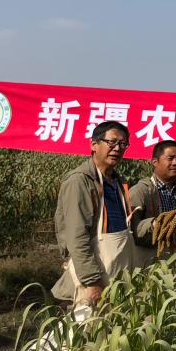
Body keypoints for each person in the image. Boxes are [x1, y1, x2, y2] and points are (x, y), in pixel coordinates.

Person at [51, 121, 139, 307]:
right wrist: (91, 281)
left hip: (116, 271)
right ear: (94, 145)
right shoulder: (80, 181)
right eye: (112, 142)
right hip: (94, 277)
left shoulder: (117, 181)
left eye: (123, 144)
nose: (117, 148)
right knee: (88, 322)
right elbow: (77, 237)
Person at [129, 140, 176, 260]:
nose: (175, 163)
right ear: (155, 162)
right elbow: (132, 230)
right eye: (170, 158)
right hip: (151, 261)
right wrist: (154, 224)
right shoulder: (141, 191)